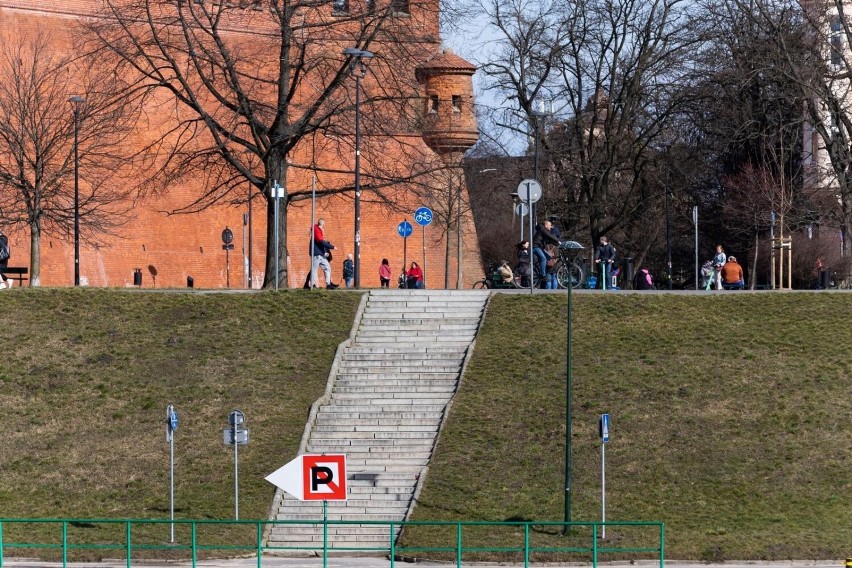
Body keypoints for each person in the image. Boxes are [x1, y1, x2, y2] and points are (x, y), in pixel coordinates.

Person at [310, 218, 339, 289]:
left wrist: (324, 252)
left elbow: (320, 243)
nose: (324, 226)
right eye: (324, 225)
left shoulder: (318, 231)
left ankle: (328, 284)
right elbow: (321, 242)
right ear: (322, 224)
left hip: (321, 254)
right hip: (316, 254)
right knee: (314, 269)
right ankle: (312, 285)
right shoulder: (317, 231)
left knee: (327, 267)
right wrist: (333, 247)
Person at [533, 220, 560, 289]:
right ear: (546, 225)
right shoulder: (543, 229)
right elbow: (550, 236)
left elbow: (550, 240)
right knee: (543, 258)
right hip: (536, 246)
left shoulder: (544, 231)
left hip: (540, 247)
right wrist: (557, 241)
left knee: (549, 257)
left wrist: (559, 244)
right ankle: (543, 275)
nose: (551, 227)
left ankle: (541, 268)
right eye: (550, 225)